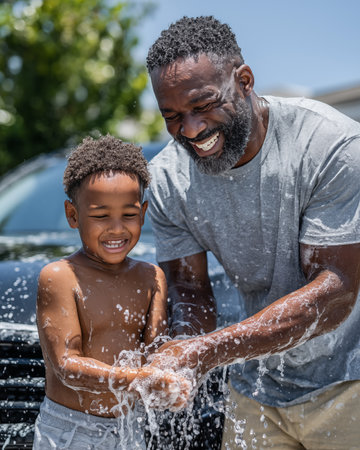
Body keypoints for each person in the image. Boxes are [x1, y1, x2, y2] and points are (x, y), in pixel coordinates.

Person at [145, 16, 360, 449]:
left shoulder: (330, 144)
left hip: (349, 382)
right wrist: (179, 360)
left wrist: (205, 352)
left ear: (244, 80)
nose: (191, 129)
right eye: (172, 116)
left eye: (203, 105)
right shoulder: (167, 179)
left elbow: (335, 291)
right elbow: (190, 289)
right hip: (256, 385)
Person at [33, 135, 190, 450]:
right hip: (69, 433)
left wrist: (166, 385)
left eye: (129, 215)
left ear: (143, 213)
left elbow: (154, 355)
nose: (117, 228)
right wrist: (137, 380)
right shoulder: (61, 277)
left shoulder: (150, 278)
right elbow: (66, 366)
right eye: (102, 216)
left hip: (128, 430)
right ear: (73, 215)